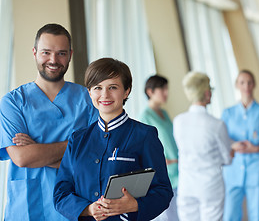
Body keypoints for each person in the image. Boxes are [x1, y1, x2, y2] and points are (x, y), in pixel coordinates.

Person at [53, 58, 173, 221]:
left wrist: (135, 205)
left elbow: (163, 191)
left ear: (126, 91)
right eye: (97, 88)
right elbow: (61, 194)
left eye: (113, 87)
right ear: (89, 92)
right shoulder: (77, 139)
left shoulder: (144, 135)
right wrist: (88, 209)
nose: (105, 95)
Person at [0, 23, 97, 221]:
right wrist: (76, 145)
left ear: (70, 55)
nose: (53, 60)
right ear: (35, 53)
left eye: (61, 53)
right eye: (46, 52)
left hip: (75, 204)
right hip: (27, 207)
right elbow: (22, 158)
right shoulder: (13, 102)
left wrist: (37, 150)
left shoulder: (88, 99)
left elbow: (95, 157)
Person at [173, 71, 239, 221]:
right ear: (207, 93)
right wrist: (232, 151)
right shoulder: (217, 124)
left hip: (186, 185)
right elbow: (226, 158)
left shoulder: (178, 121)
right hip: (210, 186)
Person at [221, 70, 259, 221]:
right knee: (230, 216)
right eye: (242, 82)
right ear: (237, 85)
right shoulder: (228, 113)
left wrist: (257, 148)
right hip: (233, 171)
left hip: (257, 171)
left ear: (254, 85)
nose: (246, 86)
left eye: (249, 82)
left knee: (257, 216)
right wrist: (233, 145)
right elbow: (222, 139)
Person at [138, 75, 179, 221]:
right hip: (165, 174)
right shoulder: (145, 116)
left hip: (178, 171)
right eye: (162, 89)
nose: (166, 93)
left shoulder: (165, 113)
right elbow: (143, 149)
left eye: (167, 89)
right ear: (150, 92)